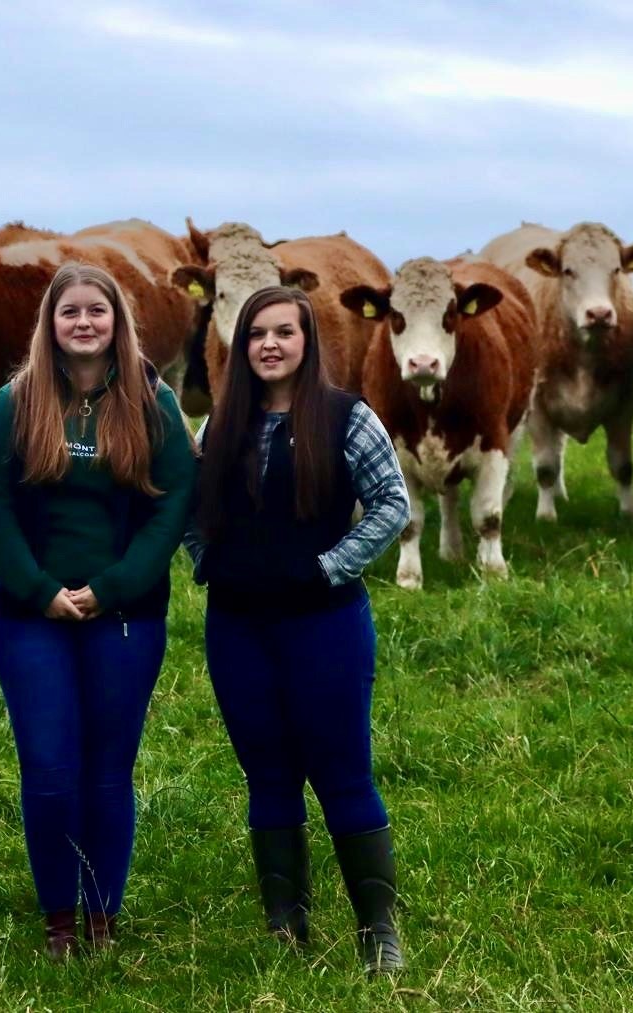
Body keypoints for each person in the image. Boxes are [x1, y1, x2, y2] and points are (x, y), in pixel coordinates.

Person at [185, 286, 411, 976]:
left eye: (285, 331)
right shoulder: (219, 425)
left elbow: (391, 504)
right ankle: (286, 924)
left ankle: (379, 931)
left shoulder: (346, 417)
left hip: (324, 624)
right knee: (267, 774)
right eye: (257, 333)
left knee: (342, 772)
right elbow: (191, 511)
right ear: (240, 344)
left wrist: (328, 567)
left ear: (307, 341)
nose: (270, 345)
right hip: (238, 627)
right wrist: (209, 563)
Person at [0, 262, 196, 958]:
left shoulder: (152, 398)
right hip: (31, 614)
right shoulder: (19, 398)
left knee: (107, 770)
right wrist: (40, 589)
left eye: (95, 312)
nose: (83, 323)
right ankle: (58, 918)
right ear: (51, 322)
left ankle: (103, 914)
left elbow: (171, 507)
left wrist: (114, 586)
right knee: (47, 768)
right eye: (69, 312)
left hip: (126, 615)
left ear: (117, 321)